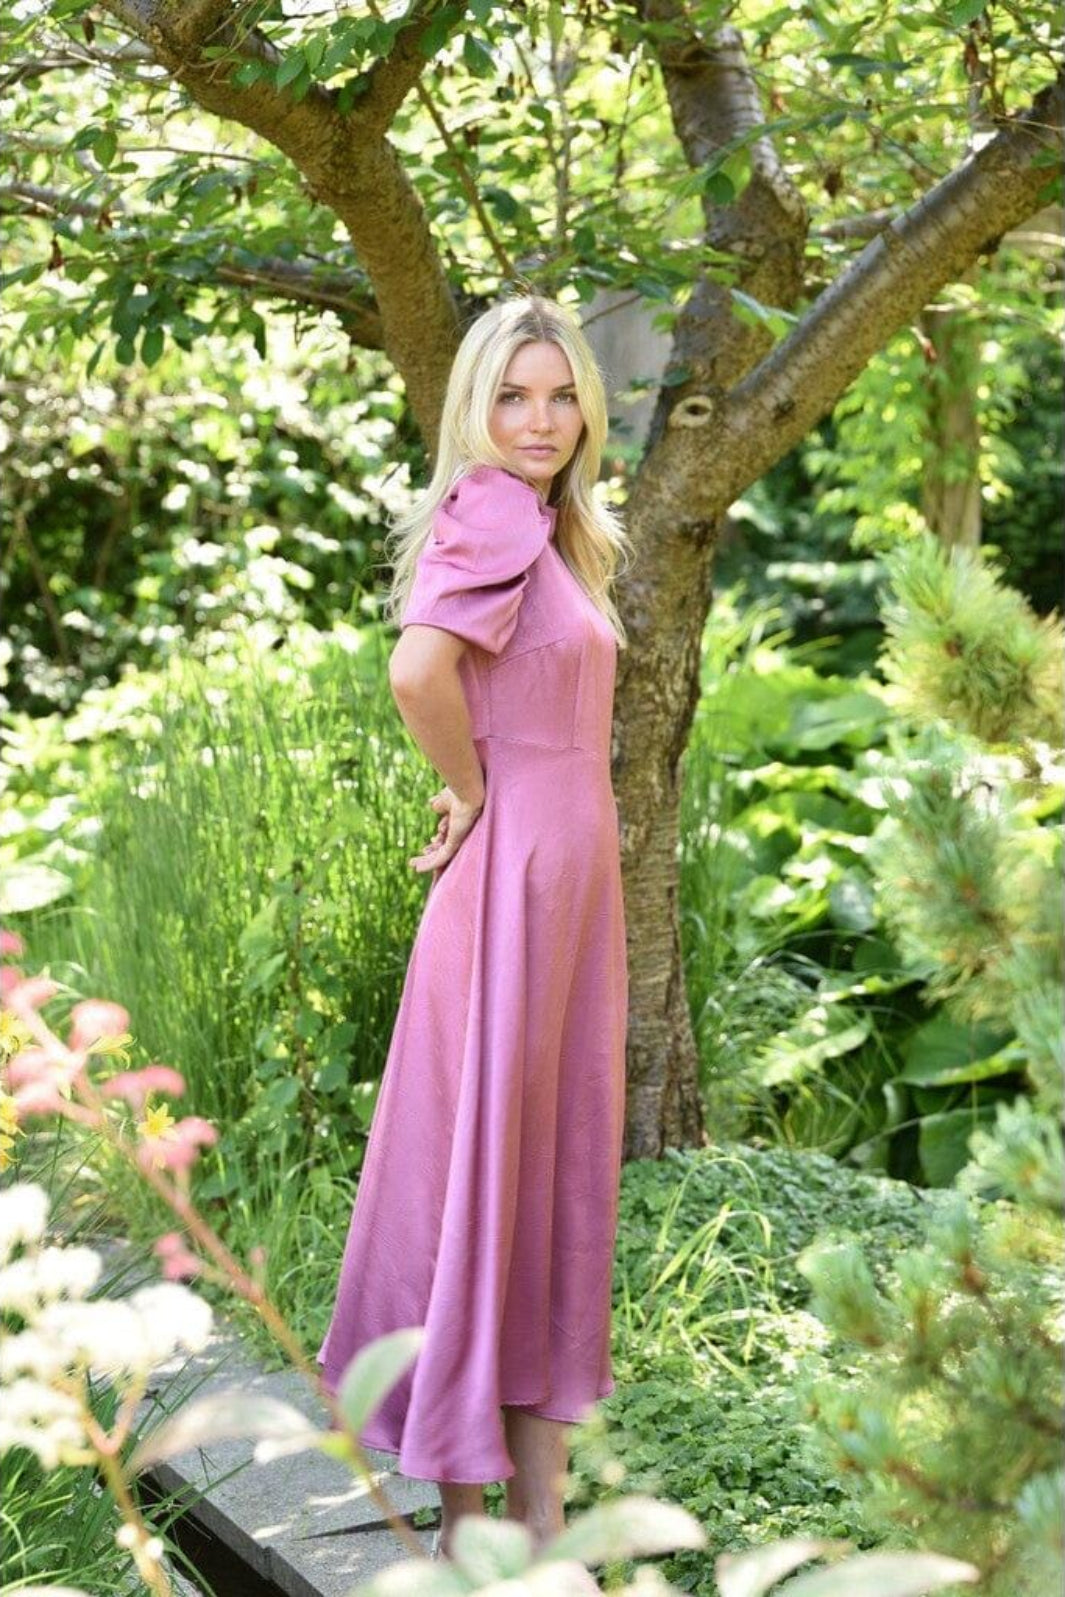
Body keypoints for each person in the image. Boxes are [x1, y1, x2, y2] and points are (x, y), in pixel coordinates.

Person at [316, 294, 632, 1563]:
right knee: (495, 1175)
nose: (539, 421)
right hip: (515, 887)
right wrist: (470, 785)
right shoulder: (494, 506)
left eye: (560, 396)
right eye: (512, 396)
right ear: (473, 409)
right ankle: (468, 1523)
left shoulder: (551, 525)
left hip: (566, 895)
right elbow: (418, 670)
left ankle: (539, 1518)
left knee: (542, 1178)